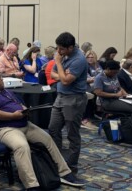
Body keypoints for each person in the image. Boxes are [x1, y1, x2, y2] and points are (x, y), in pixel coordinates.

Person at [0, 70, 84, 191]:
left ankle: (64, 173)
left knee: (47, 139)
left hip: (22, 123)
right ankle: (31, 185)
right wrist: (13, 116)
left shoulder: (5, 91)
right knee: (21, 146)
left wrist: (23, 109)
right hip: (2, 128)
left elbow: (17, 104)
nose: (2, 79)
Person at [48, 32, 88, 174]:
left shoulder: (79, 60)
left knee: (72, 134)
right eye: (57, 48)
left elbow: (65, 80)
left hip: (74, 99)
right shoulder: (64, 55)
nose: (58, 52)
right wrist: (62, 75)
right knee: (53, 129)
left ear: (70, 47)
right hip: (60, 96)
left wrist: (58, 63)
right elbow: (52, 74)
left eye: (61, 49)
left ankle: (71, 166)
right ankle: (58, 161)